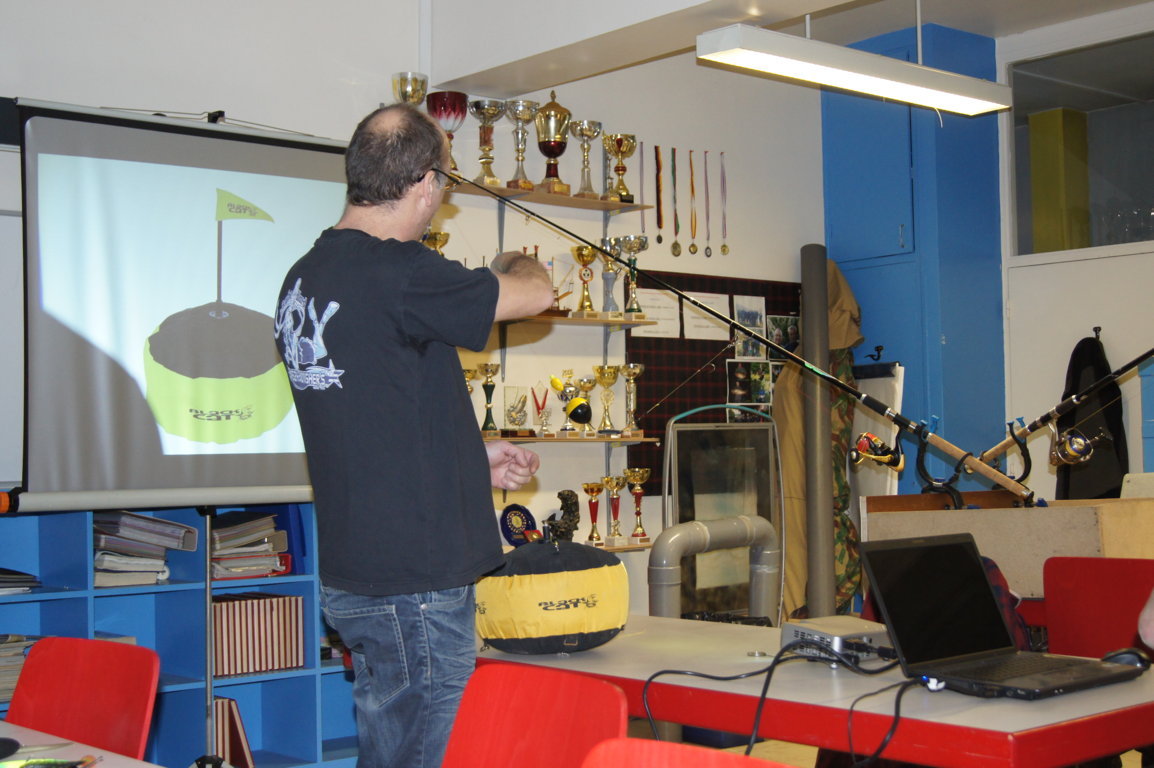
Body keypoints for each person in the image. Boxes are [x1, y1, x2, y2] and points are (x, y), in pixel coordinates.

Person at [274, 103, 553, 768]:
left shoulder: (304, 278)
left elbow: (368, 413)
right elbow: (534, 293)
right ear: (425, 183)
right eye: (444, 186)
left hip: (358, 576)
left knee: (390, 750)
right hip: (414, 587)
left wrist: (469, 460)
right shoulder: (401, 271)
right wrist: (519, 258)